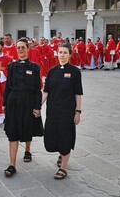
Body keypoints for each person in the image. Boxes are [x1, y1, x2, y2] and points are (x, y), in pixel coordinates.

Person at [3, 37, 43, 177]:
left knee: (27, 128)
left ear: (28, 49)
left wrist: (37, 107)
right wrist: (4, 103)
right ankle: (12, 164)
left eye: (23, 47)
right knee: (13, 132)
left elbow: (38, 89)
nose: (20, 50)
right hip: (13, 101)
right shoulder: (11, 66)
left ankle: (27, 150)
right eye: (18, 47)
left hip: (28, 102)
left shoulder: (34, 67)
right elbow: (8, 86)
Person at [42, 43, 83, 179]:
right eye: (60, 52)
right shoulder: (52, 71)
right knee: (53, 134)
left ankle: (63, 168)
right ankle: (61, 154)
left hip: (67, 111)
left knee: (65, 136)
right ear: (57, 53)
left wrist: (78, 112)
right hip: (52, 110)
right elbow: (46, 91)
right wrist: (37, 106)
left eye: (65, 52)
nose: (62, 55)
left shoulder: (75, 72)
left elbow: (78, 93)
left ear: (70, 54)